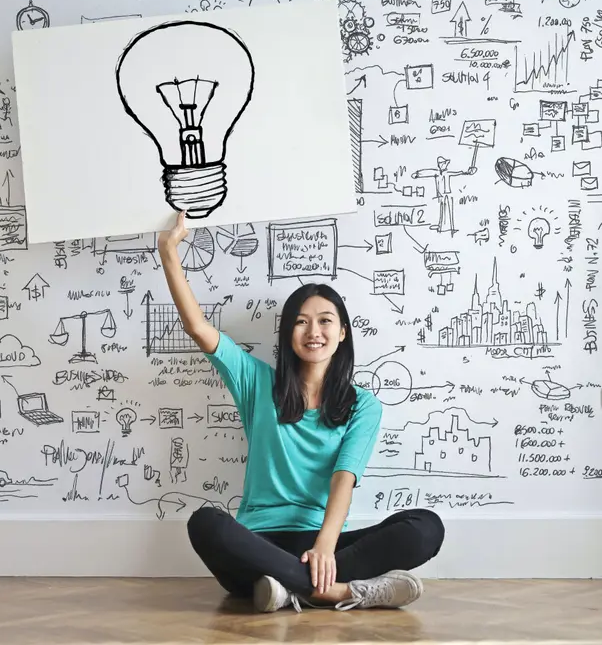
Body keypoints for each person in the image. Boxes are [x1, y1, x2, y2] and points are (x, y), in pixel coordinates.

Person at [158, 212, 445, 613]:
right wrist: (168, 251)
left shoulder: (364, 404)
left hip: (325, 544)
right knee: (206, 524)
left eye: (325, 321)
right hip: (258, 543)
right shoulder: (257, 383)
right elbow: (198, 328)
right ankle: (338, 593)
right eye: (301, 322)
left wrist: (325, 546)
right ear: (287, 335)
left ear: (342, 332)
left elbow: (344, 478)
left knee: (425, 527)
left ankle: (285, 588)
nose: (314, 332)